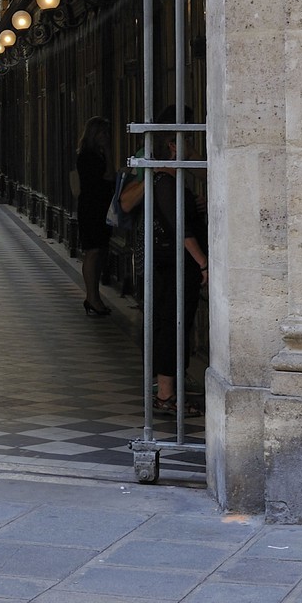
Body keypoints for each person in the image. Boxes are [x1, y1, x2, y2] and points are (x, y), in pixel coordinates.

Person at [120, 105, 208, 414]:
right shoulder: (163, 181)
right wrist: (204, 263)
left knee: (168, 325)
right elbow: (178, 227)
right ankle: (167, 394)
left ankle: (168, 391)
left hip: (166, 262)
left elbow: (203, 170)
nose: (194, 150)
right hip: (172, 263)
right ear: (172, 146)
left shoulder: (169, 181)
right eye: (188, 141)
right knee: (173, 326)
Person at [75, 115, 114, 317]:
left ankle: (94, 296)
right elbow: (108, 176)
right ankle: (91, 296)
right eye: (102, 132)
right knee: (93, 251)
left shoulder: (95, 154)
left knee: (99, 250)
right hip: (92, 208)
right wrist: (108, 152)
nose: (106, 136)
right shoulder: (88, 156)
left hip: (100, 207)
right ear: (93, 134)